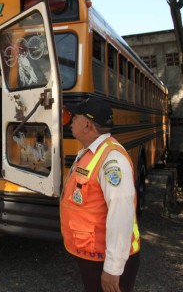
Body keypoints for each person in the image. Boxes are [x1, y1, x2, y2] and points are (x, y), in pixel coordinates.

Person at [60, 96, 140, 292]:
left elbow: (121, 215)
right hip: (93, 256)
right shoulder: (91, 153)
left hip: (105, 260)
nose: (71, 120)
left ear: (87, 125)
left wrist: (113, 269)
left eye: (75, 117)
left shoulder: (112, 160)